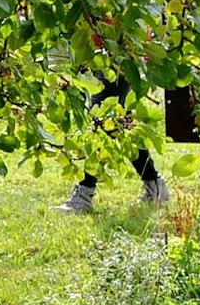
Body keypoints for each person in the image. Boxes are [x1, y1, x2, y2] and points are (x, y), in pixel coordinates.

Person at [57, 76, 170, 214]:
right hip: (102, 65)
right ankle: (155, 187)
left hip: (116, 65)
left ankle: (84, 194)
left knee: (101, 118)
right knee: (122, 123)